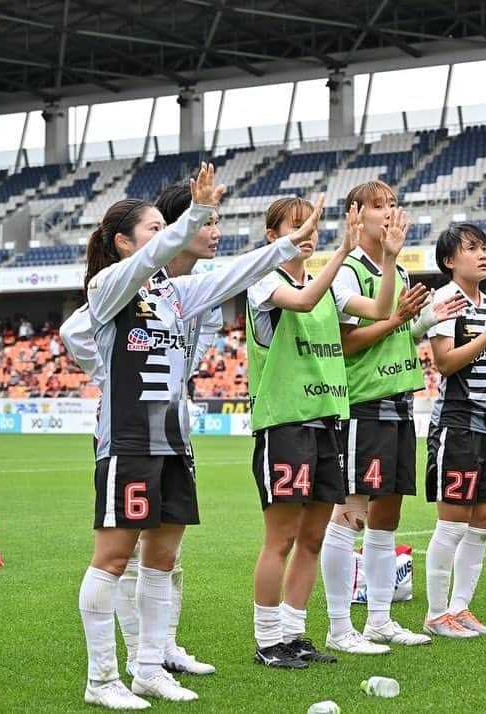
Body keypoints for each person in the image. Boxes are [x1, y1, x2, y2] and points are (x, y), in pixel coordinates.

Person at [76, 163, 313, 709]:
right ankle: (101, 679)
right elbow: (154, 260)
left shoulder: (175, 294)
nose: (164, 237)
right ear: (122, 243)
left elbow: (231, 276)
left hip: (172, 443)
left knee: (161, 558)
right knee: (113, 560)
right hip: (129, 443)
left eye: (167, 227)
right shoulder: (108, 287)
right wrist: (197, 214)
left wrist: (289, 247)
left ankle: (149, 667)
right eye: (154, 228)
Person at [62, 180, 225, 684]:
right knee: (123, 556)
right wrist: (115, 377)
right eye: (203, 222)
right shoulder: (119, 283)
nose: (212, 231)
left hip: (172, 431)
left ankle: (157, 654)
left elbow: (188, 357)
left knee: (164, 555)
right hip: (128, 431)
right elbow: (75, 332)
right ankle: (123, 665)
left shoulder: (195, 291)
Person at [248, 194, 406, 666]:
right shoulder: (264, 280)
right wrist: (344, 248)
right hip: (285, 423)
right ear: (272, 237)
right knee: (281, 537)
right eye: (297, 225)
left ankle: (295, 633)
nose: (307, 232)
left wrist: (391, 258)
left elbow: (380, 310)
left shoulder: (327, 282)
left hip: (326, 422)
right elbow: (303, 299)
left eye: (312, 224)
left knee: (314, 536)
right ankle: (267, 638)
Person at [323, 181, 465, 652]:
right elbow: (345, 343)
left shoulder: (397, 270)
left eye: (394, 205)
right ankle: (340, 627)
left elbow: (399, 332)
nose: (390, 213)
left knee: (388, 516)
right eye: (380, 206)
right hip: (363, 402)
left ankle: (380, 619)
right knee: (350, 513)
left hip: (400, 401)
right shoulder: (344, 270)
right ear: (355, 214)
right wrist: (399, 319)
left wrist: (426, 318)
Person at [422, 223, 486, 637]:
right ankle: (436, 612)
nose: (483, 254)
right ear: (449, 261)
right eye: (472, 248)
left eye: (485, 247)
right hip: (457, 424)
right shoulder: (446, 300)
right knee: (454, 523)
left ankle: (461, 608)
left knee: (481, 524)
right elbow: (445, 362)